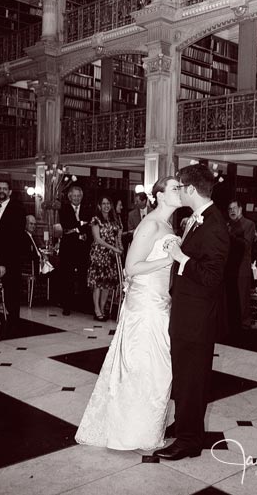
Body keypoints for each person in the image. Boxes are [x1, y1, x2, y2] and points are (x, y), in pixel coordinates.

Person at [75, 176, 179, 450]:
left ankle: (147, 428)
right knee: (145, 366)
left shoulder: (168, 223)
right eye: (175, 189)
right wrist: (170, 258)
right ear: (159, 195)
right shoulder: (151, 224)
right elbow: (131, 268)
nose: (180, 192)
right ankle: (133, 431)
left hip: (159, 300)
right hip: (145, 304)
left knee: (156, 368)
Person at [156, 164, 229, 461]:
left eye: (179, 186)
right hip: (187, 313)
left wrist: (181, 257)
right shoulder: (200, 219)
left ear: (190, 190)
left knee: (192, 379)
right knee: (185, 377)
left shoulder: (214, 225)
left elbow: (212, 277)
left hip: (197, 319)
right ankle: (186, 426)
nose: (177, 190)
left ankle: (189, 442)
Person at [0, 179, 26, 338]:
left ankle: (13, 323)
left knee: (12, 292)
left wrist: (3, 261)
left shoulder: (18, 209)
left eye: (5, 188)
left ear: (10, 191)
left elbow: (15, 237)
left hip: (11, 259)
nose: (1, 191)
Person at [87, 196, 123, 321]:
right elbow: (97, 239)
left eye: (108, 203)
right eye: (103, 203)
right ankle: (96, 309)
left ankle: (102, 308)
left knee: (107, 284)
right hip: (99, 254)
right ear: (99, 206)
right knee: (97, 283)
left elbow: (117, 236)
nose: (106, 206)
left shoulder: (114, 219)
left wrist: (119, 248)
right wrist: (113, 248)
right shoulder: (96, 220)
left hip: (111, 256)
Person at [58, 185, 91, 315]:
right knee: (67, 278)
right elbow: (67, 224)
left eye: (79, 196)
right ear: (70, 197)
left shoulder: (87, 208)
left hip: (83, 249)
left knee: (83, 277)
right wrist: (81, 225)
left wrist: (77, 227)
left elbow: (89, 225)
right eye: (74, 196)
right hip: (68, 249)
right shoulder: (64, 209)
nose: (77, 198)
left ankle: (83, 305)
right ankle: (66, 305)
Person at [225, 200, 256, 330]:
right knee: (229, 296)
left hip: (242, 265)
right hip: (228, 265)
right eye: (229, 209)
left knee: (242, 294)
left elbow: (245, 244)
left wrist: (229, 235)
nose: (232, 211)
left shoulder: (249, 224)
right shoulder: (228, 224)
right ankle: (231, 322)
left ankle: (244, 324)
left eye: (234, 208)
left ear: (241, 209)